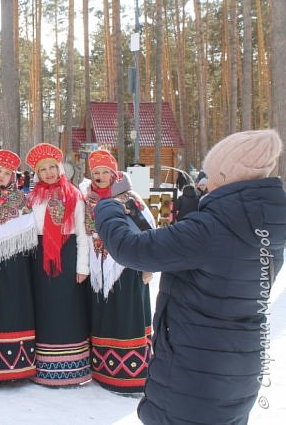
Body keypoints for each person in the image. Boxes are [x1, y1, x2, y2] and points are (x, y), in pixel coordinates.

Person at [95, 129, 286, 424]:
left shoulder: (211, 229)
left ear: (225, 176)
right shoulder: (267, 226)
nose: (205, 182)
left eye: (210, 174)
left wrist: (108, 204)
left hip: (194, 377)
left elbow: (131, 249)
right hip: (238, 370)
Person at [83, 150, 154, 394]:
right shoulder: (88, 199)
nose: (101, 176)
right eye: (96, 173)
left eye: (105, 172)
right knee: (104, 315)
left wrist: (147, 267)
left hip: (126, 267)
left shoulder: (130, 198)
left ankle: (131, 375)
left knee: (127, 313)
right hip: (98, 267)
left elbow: (147, 230)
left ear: (115, 174)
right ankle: (104, 370)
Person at [25, 143, 90, 387]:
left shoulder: (73, 194)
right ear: (37, 174)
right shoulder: (32, 198)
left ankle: (72, 369)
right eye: (43, 170)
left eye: (53, 167)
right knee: (44, 310)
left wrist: (82, 266)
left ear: (61, 168)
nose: (49, 173)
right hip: (40, 258)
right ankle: (43, 367)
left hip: (68, 255)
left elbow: (82, 233)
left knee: (68, 309)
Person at [0, 150, 37, 382]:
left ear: (14, 176)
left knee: (11, 309)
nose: (1, 176)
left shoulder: (22, 199)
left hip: (13, 265)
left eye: (6, 173)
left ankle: (16, 365)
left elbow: (28, 233)